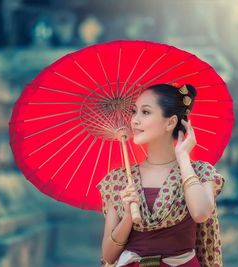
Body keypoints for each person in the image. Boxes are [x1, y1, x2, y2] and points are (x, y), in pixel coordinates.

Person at [96, 83, 226, 267]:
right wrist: (127, 216)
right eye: (134, 111)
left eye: (146, 112)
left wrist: (183, 157)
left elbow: (200, 212)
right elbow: (108, 256)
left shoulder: (200, 172)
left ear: (170, 122)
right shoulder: (119, 179)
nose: (134, 120)